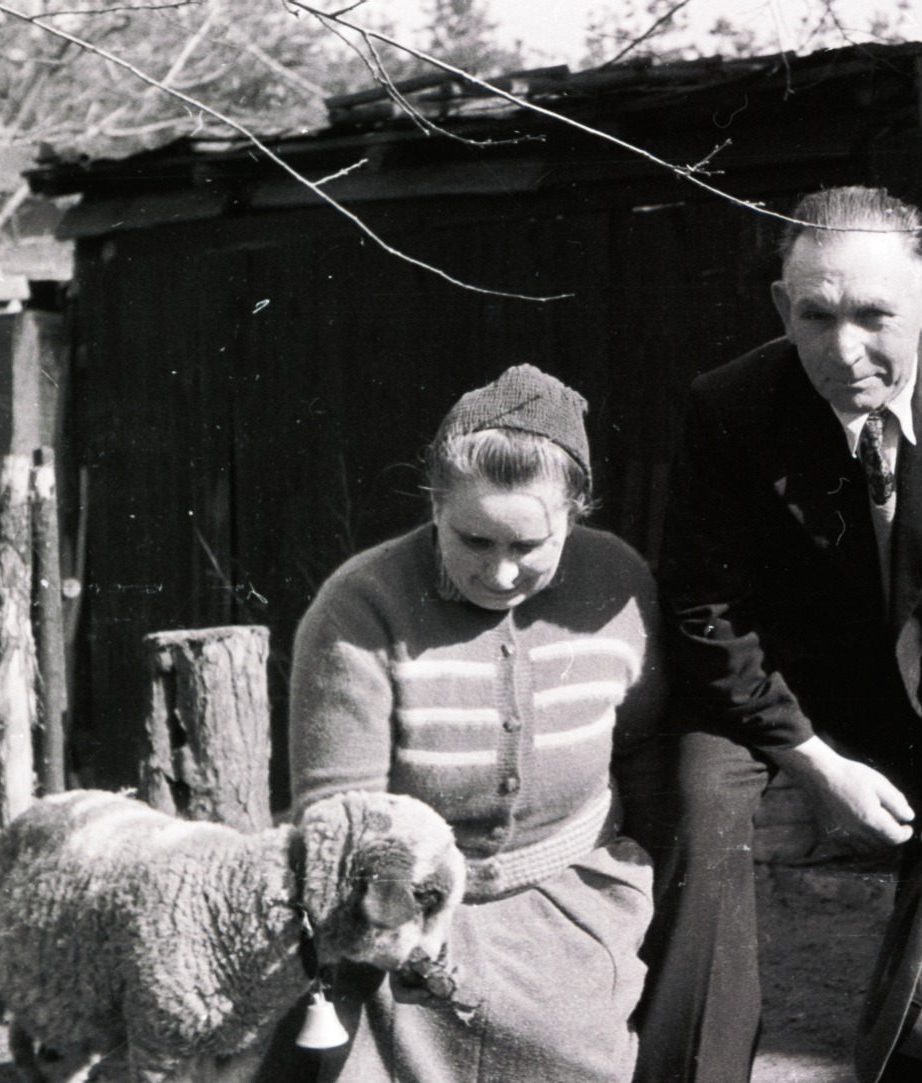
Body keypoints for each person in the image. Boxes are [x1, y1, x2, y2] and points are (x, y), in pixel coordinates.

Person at [632, 187, 922, 1083]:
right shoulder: (729, 405)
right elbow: (702, 607)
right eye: (816, 316)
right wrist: (811, 761)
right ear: (780, 310)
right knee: (698, 799)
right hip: (774, 687)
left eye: (874, 315)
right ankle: (696, 1068)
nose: (844, 351)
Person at [283, 364, 664, 1083]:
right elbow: (341, 815)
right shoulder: (360, 606)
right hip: (394, 923)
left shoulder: (616, 583)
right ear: (434, 505)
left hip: (574, 910)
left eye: (528, 547)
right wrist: (401, 931)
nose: (500, 573)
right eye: (474, 540)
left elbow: (646, 749)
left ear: (576, 514)